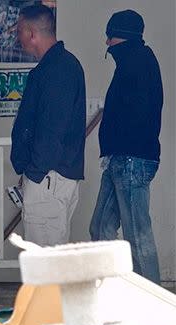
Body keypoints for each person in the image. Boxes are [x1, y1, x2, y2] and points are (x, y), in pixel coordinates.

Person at [89, 10, 163, 284]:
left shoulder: (137, 62)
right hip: (121, 160)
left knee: (137, 236)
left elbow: (135, 114)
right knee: (100, 229)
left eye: (110, 36)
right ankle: (112, 296)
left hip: (131, 161)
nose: (106, 43)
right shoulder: (136, 61)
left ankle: (154, 308)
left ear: (121, 36)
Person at [10, 5, 86, 246]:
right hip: (50, 178)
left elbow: (52, 128)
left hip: (48, 179)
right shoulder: (57, 66)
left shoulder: (58, 69)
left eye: (19, 30)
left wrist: (35, 173)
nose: (17, 36)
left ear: (32, 33)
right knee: (53, 263)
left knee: (45, 266)